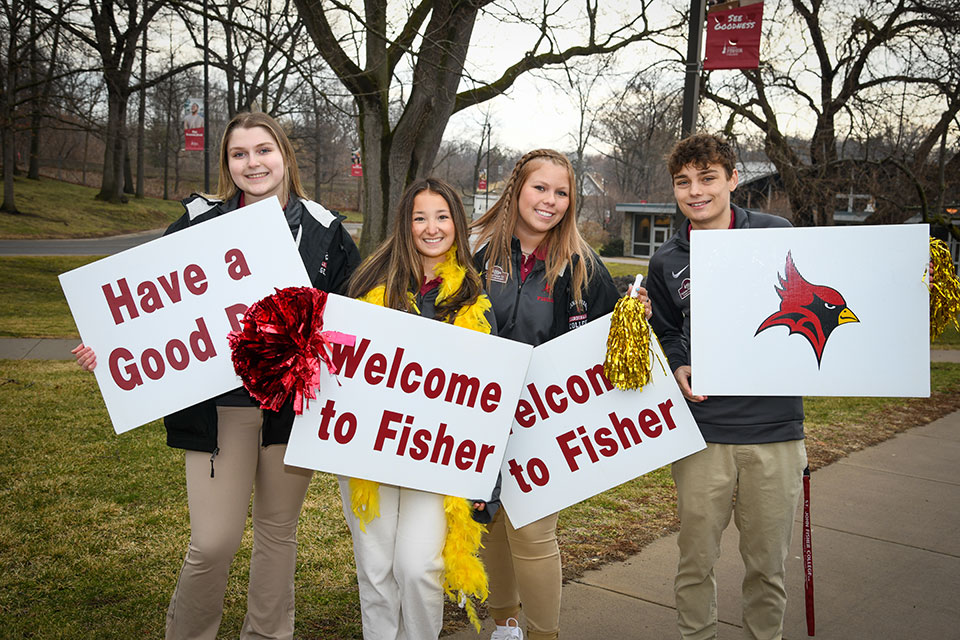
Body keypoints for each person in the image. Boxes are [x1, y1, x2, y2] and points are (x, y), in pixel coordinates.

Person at [72, 111, 361, 640]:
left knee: (278, 533)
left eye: (263, 150)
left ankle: (268, 634)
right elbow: (148, 307)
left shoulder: (327, 233)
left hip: (289, 411)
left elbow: (356, 321)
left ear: (285, 155)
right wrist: (109, 348)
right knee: (213, 540)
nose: (253, 163)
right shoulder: (198, 225)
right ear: (228, 163)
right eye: (239, 154)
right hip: (217, 409)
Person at [645, 133, 806, 640]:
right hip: (703, 433)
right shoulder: (666, 260)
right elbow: (668, 331)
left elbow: (829, 288)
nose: (696, 191)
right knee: (696, 561)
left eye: (708, 178)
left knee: (767, 567)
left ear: (733, 179)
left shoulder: (775, 233)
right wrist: (677, 365)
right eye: (684, 182)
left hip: (775, 430)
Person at [470, 149, 625, 640]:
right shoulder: (475, 251)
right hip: (480, 414)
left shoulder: (584, 266)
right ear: (517, 188)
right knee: (489, 522)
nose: (550, 201)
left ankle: (543, 634)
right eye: (541, 188)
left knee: (533, 532)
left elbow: (606, 345)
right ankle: (505, 624)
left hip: (545, 420)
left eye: (562, 193)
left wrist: (630, 316)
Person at [342, 176, 496, 640]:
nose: (431, 228)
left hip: (437, 456)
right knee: (375, 569)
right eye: (420, 217)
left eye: (442, 216)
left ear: (458, 223)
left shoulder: (477, 292)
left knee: (417, 568)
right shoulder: (372, 280)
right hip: (373, 449)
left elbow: (492, 384)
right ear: (404, 224)